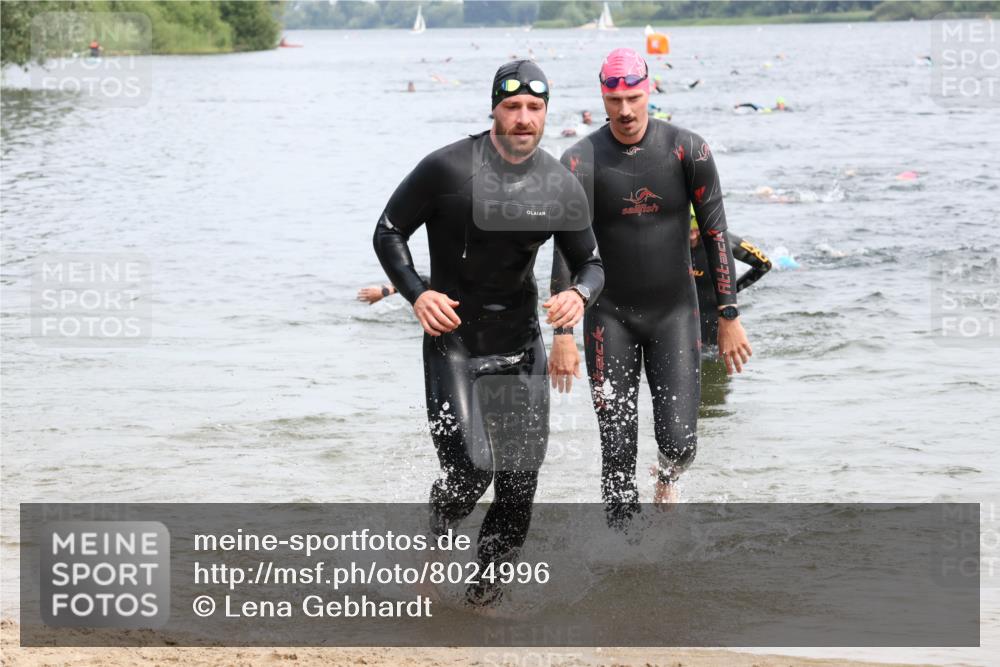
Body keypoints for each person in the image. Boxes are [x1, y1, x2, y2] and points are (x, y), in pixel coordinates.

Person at [373, 60, 604, 606]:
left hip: (520, 347)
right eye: (512, 106)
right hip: (454, 343)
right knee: (470, 473)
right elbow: (389, 230)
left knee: (520, 486)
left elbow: (591, 263)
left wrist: (578, 295)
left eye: (534, 108)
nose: (523, 118)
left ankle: (484, 600)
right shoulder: (448, 168)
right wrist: (417, 293)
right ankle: (438, 530)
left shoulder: (559, 183)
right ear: (494, 109)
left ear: (545, 113)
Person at [549, 48, 751, 524]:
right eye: (614, 100)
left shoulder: (688, 150)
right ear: (602, 97)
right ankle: (625, 551)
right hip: (608, 317)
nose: (624, 110)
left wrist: (729, 315)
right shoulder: (579, 161)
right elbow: (564, 250)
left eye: (634, 98)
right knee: (617, 451)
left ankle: (667, 477)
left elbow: (717, 233)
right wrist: (561, 334)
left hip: (674, 315)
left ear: (649, 91)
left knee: (680, 444)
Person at [689, 209, 771, 348]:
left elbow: (764, 265)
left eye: (697, 230)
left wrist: (729, 294)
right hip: (681, 317)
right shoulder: (668, 240)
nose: (692, 236)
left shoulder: (723, 240)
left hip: (711, 317)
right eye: (688, 230)